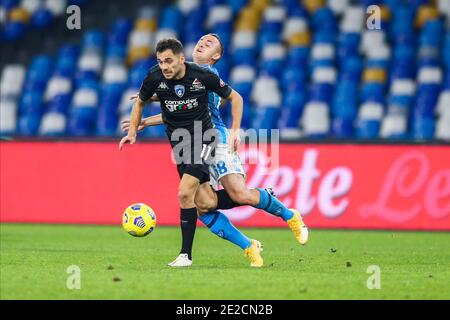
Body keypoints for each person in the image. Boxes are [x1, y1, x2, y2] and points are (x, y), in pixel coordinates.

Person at [122, 35, 309, 268]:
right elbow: (180, 107)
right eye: (200, 40)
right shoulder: (177, 76)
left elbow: (208, 104)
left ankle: (288, 215)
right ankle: (250, 242)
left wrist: (235, 131)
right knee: (203, 205)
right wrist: (146, 116)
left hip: (214, 136)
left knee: (236, 193)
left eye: (209, 43)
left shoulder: (207, 75)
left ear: (216, 56)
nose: (201, 43)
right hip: (186, 141)